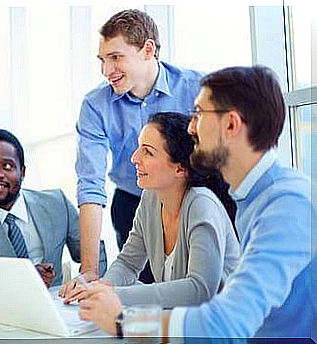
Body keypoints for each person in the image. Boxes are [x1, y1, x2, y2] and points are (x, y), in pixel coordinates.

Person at [79, 66, 315, 338]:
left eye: (199, 114)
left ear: (230, 124)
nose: (191, 127)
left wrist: (123, 322)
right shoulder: (251, 199)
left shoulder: (286, 205)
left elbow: (227, 321)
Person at [74, 9, 202, 285]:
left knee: (191, 291)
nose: (106, 70)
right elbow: (90, 185)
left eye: (116, 57)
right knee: (143, 293)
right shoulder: (95, 105)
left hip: (192, 198)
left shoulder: (197, 89)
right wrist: (89, 272)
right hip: (133, 205)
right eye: (102, 60)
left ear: (148, 49)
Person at [63, 112, 239, 308]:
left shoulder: (202, 205)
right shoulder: (151, 197)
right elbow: (128, 263)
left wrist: (114, 295)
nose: (134, 158)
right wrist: (98, 288)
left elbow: (200, 290)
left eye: (147, 152)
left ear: (180, 169)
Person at [0, 129, 107, 296]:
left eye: (7, 166)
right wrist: (23, 281)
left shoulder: (57, 203)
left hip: (57, 308)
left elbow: (94, 251)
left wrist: (85, 289)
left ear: (22, 172)